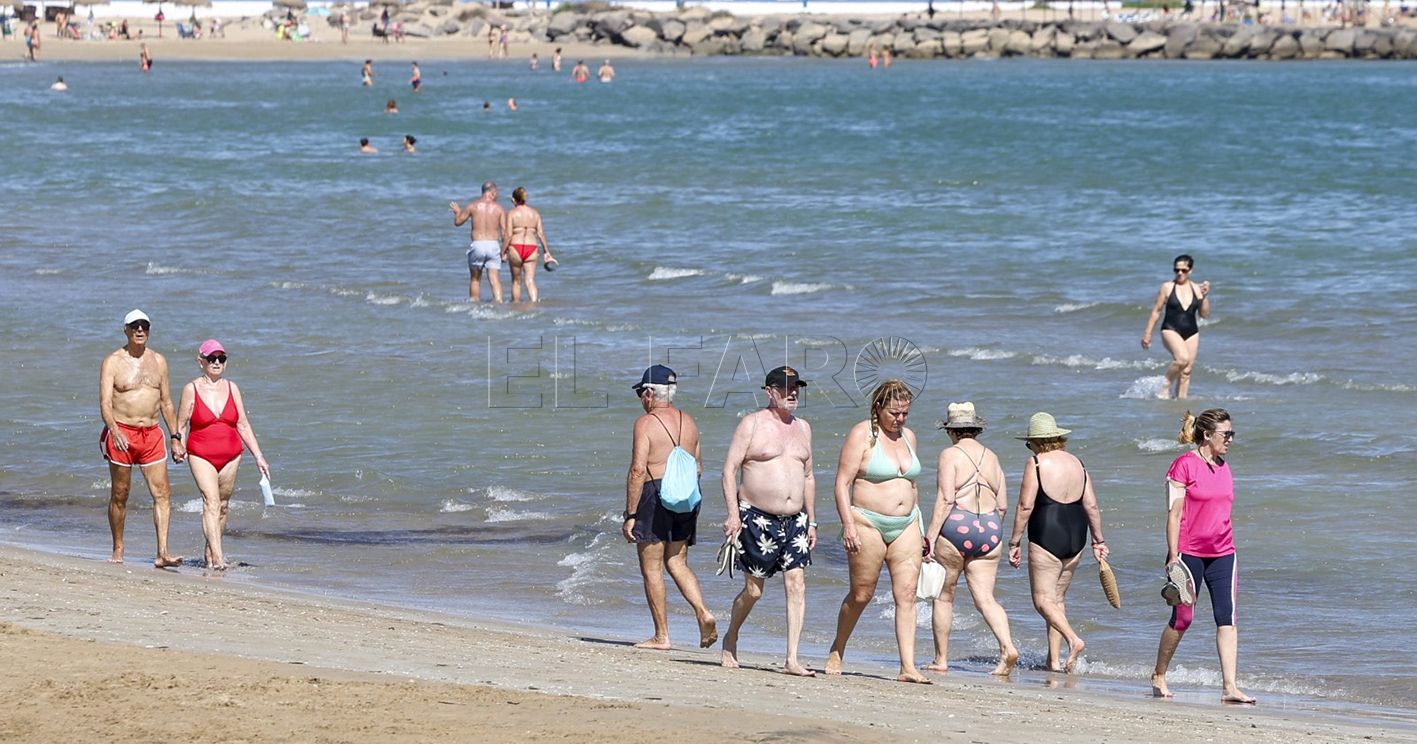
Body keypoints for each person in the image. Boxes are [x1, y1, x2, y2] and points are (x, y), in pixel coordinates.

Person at [825, 379, 930, 684]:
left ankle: (908, 667)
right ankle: (838, 648)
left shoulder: (909, 437)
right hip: (867, 522)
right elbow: (842, 483)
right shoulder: (862, 435)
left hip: (907, 524)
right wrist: (848, 524)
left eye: (905, 413)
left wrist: (921, 527)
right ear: (878, 407)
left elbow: (912, 485)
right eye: (894, 413)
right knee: (862, 594)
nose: (900, 419)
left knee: (907, 595)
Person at [1152, 409, 1255, 704]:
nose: (1230, 439)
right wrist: (1173, 556)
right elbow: (1174, 515)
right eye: (1226, 434)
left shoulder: (1224, 466)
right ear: (1208, 435)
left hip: (1223, 553)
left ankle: (1230, 687)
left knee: (1227, 618)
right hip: (1189, 553)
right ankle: (1159, 674)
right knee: (1183, 618)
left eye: (1232, 433)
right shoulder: (1183, 466)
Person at [720, 366, 817, 676]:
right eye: (785, 388)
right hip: (756, 517)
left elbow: (809, 476)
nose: (792, 393)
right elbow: (729, 470)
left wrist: (812, 521)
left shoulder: (803, 428)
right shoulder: (752, 424)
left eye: (796, 388)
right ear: (769, 391)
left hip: (796, 519)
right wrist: (733, 514)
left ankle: (792, 659)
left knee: (797, 583)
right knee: (754, 590)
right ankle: (731, 636)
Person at [622, 365, 717, 650]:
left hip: (655, 493)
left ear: (650, 393)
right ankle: (703, 611)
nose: (641, 398)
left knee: (652, 568)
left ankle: (662, 636)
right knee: (677, 561)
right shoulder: (690, 422)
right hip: (686, 495)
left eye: (641, 392)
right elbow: (698, 467)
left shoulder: (645, 423)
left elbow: (638, 470)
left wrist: (631, 515)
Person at [1007, 412, 1109, 672]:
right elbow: (1091, 505)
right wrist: (1098, 540)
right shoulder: (1078, 463)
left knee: (1042, 600)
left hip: (1046, 534)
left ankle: (1073, 640)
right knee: (1057, 600)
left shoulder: (1036, 463)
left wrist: (1014, 542)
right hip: (1076, 535)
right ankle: (1053, 661)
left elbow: (1025, 505)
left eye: (1029, 443)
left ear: (1036, 441)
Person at [923, 402, 1019, 676]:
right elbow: (1003, 505)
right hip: (990, 527)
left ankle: (941, 659)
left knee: (944, 597)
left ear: (951, 431)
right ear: (976, 428)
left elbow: (946, 499)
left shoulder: (949, 454)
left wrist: (930, 537)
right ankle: (1007, 647)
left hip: (957, 526)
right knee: (986, 599)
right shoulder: (993, 457)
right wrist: (990, 531)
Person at [98, 310, 185, 567]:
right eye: (134, 326)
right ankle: (118, 548)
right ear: (125, 329)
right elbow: (105, 403)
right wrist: (114, 429)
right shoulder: (112, 362)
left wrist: (176, 437)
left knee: (163, 493)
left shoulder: (159, 361)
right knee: (120, 494)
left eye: (144, 326)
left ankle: (163, 553)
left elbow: (166, 402)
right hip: (122, 433)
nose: (140, 330)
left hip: (152, 434)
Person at [176, 340, 270, 570]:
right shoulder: (191, 389)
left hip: (231, 455)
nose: (217, 362)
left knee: (224, 506)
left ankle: (210, 554)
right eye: (211, 358)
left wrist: (258, 456)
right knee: (211, 502)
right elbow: (181, 424)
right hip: (201, 454)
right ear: (201, 361)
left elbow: (243, 424)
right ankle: (219, 559)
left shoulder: (232, 388)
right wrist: (178, 445)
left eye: (221, 358)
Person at [1142, 254, 1212, 399]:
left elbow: (1204, 315)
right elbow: (1156, 311)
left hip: (1192, 331)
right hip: (1170, 328)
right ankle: (1165, 386)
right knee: (1182, 359)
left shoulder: (1197, 289)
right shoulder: (1167, 287)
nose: (1180, 273)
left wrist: (1205, 297)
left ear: (1190, 271)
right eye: (1176, 270)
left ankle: (1180, 402)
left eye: (1183, 270)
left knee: (1186, 371)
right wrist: (1148, 333)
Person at [450, 181, 505, 303]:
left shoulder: (472, 206)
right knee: (495, 279)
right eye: (497, 193)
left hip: (477, 244)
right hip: (493, 245)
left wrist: (457, 212)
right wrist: (504, 250)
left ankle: (474, 304)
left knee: (475, 279)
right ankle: (498, 304)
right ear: (492, 193)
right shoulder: (499, 208)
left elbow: (458, 222)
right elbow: (505, 232)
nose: (497, 195)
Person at [502, 187, 556, 303]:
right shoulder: (535, 213)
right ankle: (534, 304)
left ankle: (515, 306)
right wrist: (546, 252)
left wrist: (503, 252)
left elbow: (508, 235)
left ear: (514, 200)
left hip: (515, 247)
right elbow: (541, 234)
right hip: (531, 248)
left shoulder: (511, 213)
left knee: (516, 281)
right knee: (530, 280)